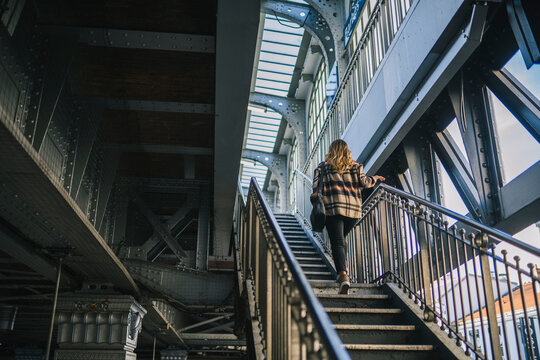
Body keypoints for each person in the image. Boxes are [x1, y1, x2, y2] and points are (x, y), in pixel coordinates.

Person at [310, 140, 385, 294]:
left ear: (331, 150)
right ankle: (344, 266)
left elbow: (315, 189)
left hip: (333, 208)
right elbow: (365, 183)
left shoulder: (322, 167)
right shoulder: (356, 166)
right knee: (340, 239)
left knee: (337, 241)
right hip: (353, 211)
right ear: (347, 151)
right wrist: (375, 178)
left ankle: (343, 275)